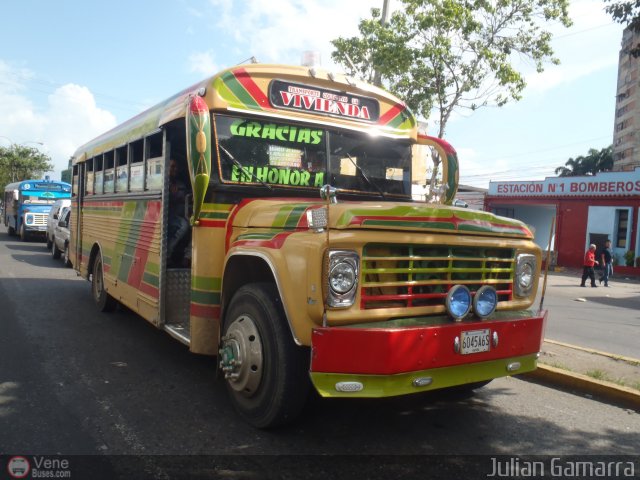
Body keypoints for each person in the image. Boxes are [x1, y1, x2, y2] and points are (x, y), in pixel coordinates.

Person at [167, 158, 190, 266]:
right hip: (166, 216)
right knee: (183, 226)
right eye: (172, 167)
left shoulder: (180, 184)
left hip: (180, 214)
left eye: (176, 167)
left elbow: (185, 198)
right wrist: (172, 197)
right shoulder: (163, 184)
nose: (174, 169)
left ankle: (187, 257)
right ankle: (167, 254)